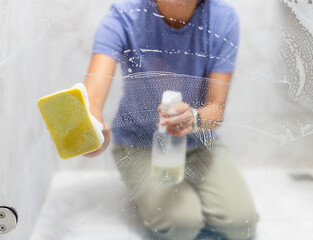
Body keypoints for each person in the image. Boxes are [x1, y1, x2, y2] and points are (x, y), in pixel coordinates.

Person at [84, 0, 259, 239]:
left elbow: (216, 110)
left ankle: (181, 195)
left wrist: (193, 119)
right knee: (183, 225)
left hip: (199, 143)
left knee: (242, 223)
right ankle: (149, 194)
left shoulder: (222, 18)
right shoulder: (125, 16)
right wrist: (92, 129)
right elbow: (92, 99)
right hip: (140, 145)